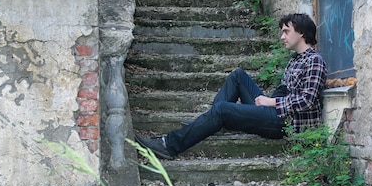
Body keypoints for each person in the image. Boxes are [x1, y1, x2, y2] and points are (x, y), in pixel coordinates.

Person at [134, 13, 327, 159]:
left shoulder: (314, 61)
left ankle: (169, 145)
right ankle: (212, 122)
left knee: (221, 110)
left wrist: (271, 103)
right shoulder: (296, 60)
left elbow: (307, 101)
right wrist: (268, 101)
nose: (282, 37)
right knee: (238, 75)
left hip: (287, 124)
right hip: (278, 112)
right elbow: (284, 90)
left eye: (286, 31)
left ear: (301, 33)